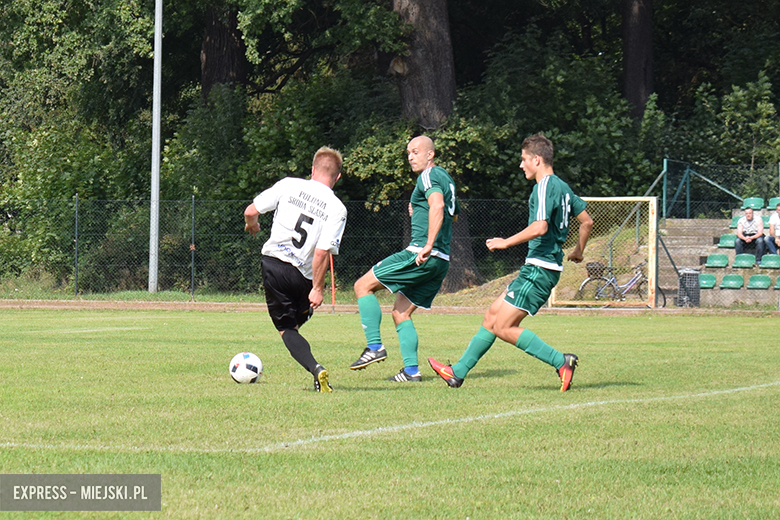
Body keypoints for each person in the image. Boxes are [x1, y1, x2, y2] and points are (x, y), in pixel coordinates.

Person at [428, 134, 593, 392]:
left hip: (540, 269)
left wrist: (506, 242)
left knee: (504, 327)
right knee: (491, 316)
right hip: (539, 268)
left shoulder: (545, 186)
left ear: (536, 159)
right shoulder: (562, 187)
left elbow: (540, 227)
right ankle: (456, 373)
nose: (521, 165)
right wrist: (578, 251)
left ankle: (561, 361)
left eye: (524, 159)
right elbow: (587, 221)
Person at [349, 135, 459, 382]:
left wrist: (428, 244)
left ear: (430, 154)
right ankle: (411, 372)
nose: (410, 156)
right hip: (441, 260)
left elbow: (438, 207)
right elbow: (452, 216)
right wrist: (418, 208)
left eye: (416, 151)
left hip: (421, 253)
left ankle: (374, 346)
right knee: (401, 313)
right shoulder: (446, 179)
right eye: (408, 152)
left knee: (362, 286)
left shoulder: (429, 175)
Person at [244, 146, 347, 392]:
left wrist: (253, 225)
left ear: (312, 170)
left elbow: (250, 211)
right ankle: (314, 368)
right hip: (302, 277)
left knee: (287, 330)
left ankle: (316, 368)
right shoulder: (337, 208)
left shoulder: (289, 184)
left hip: (274, 266)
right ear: (337, 177)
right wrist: (318, 289)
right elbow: (322, 252)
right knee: (293, 327)